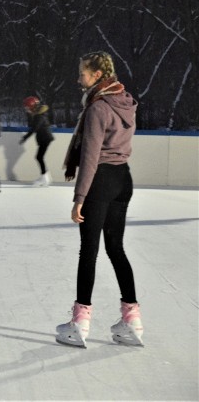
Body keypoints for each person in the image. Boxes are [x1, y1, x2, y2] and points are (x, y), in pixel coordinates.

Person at [56, 51, 142, 348]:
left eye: (83, 72)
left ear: (96, 75)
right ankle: (132, 319)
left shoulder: (98, 108)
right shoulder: (125, 101)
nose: (79, 77)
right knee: (116, 248)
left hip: (102, 181)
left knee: (88, 251)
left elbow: (90, 157)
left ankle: (79, 322)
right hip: (123, 179)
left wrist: (79, 198)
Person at [20, 96, 54, 187]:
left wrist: (25, 138)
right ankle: (45, 176)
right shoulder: (39, 114)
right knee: (39, 157)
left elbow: (34, 129)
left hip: (45, 139)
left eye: (27, 107)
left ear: (32, 106)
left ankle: (45, 178)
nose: (27, 110)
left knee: (39, 157)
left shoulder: (39, 116)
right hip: (45, 139)